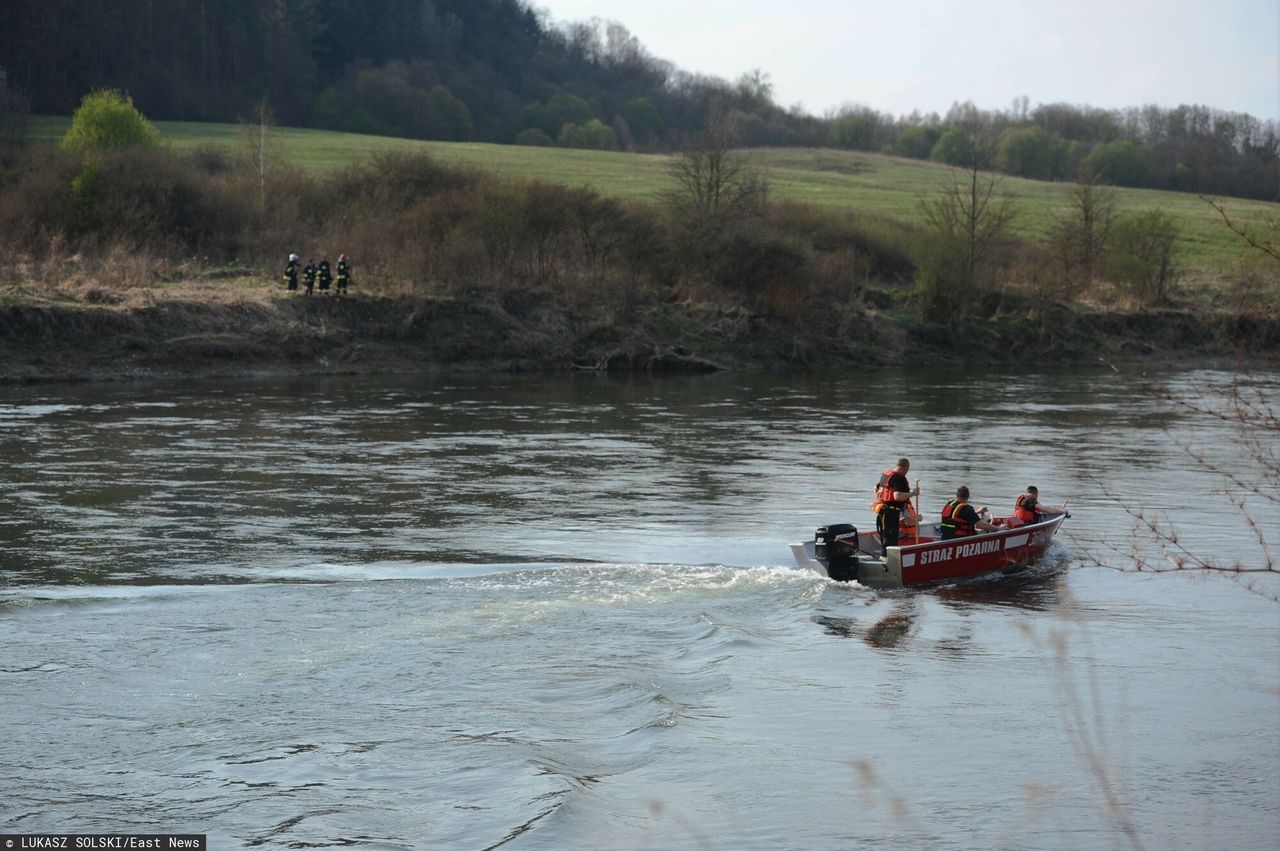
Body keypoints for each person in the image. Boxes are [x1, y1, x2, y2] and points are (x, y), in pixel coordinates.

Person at [873, 457, 920, 556]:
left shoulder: (886, 476)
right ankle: (887, 562)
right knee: (891, 539)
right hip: (891, 513)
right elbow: (897, 496)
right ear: (906, 468)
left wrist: (881, 498)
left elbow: (875, 488)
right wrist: (913, 493)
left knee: (886, 537)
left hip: (882, 511)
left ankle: (884, 559)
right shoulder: (899, 478)